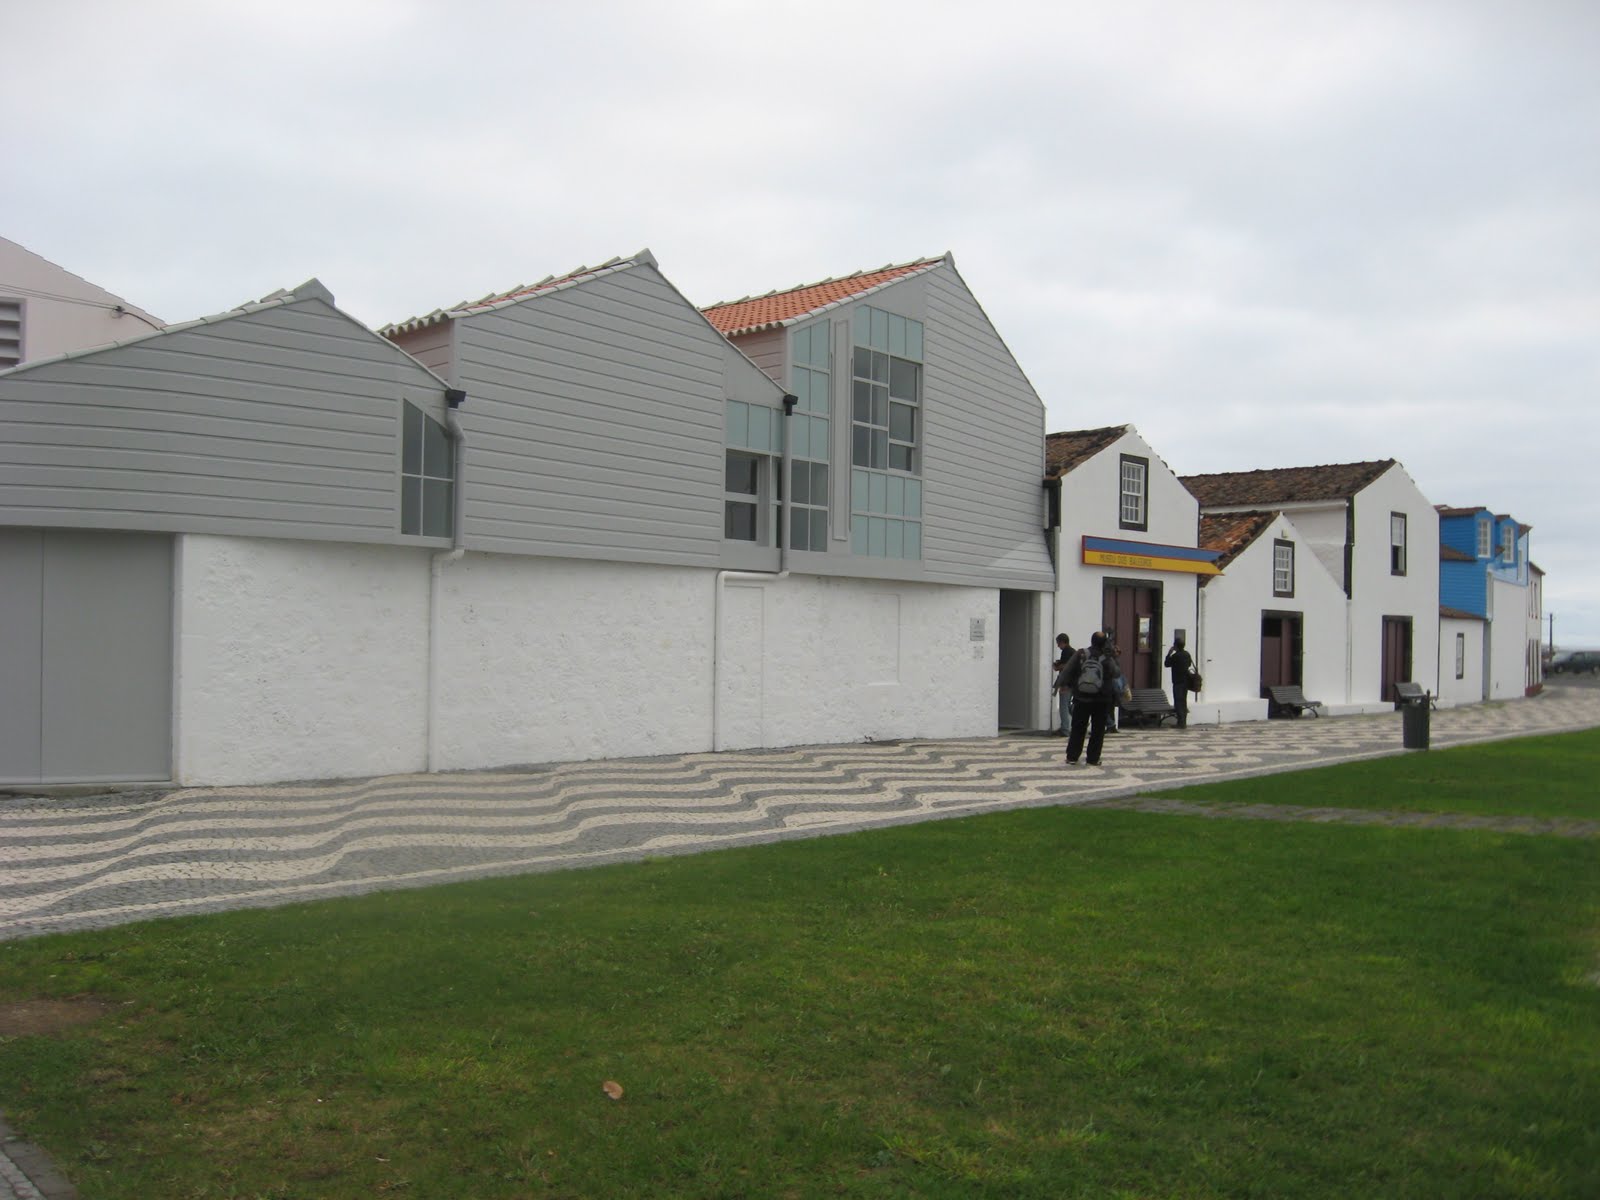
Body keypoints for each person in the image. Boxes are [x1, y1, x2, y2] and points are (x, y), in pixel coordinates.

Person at [1062, 631, 1120, 766]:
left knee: (1078, 727)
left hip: (1082, 697)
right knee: (1098, 730)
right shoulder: (1107, 657)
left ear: (1092, 641)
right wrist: (1113, 656)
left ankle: (1072, 756)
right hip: (1102, 699)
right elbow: (1116, 673)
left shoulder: (1081, 654)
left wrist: (1065, 685)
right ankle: (1093, 758)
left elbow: (1068, 670)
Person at [1164, 633, 1194, 730]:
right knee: (1183, 702)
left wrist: (1169, 653)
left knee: (1178, 702)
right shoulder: (1187, 654)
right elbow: (1189, 664)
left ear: (1176, 646)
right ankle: (1183, 721)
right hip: (1185, 681)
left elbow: (1166, 664)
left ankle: (1181, 723)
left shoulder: (1176, 656)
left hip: (1177, 681)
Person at [1051, 633, 1074, 735]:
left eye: (1058, 643)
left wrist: (1057, 666)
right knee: (1068, 705)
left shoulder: (1066, 651)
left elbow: (1066, 666)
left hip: (1067, 683)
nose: (1058, 646)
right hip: (1073, 683)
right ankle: (1072, 724)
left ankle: (1065, 729)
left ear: (1062, 642)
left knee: (1064, 706)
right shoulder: (1073, 652)